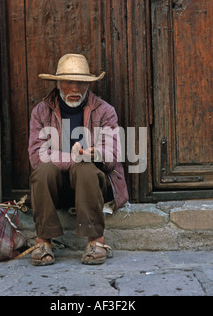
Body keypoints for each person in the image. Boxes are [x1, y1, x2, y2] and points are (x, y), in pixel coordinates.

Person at [28, 54, 129, 266]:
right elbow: (37, 156)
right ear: (57, 84)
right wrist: (74, 158)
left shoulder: (104, 111)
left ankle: (96, 241)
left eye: (81, 83)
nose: (75, 88)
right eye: (68, 82)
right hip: (58, 189)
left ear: (88, 85)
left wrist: (95, 155)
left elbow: (113, 154)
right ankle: (43, 241)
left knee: (84, 170)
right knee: (43, 171)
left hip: (92, 187)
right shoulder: (41, 111)